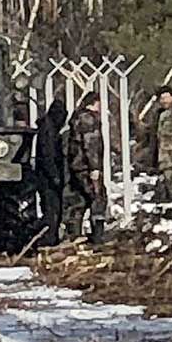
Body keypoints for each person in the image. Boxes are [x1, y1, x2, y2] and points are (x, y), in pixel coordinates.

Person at [65, 92, 106, 245]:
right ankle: (98, 237)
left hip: (76, 165)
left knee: (79, 200)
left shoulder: (76, 118)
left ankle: (74, 235)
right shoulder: (89, 119)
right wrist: (94, 168)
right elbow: (91, 145)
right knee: (98, 198)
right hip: (86, 166)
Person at [35, 99, 67, 246]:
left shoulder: (50, 127)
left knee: (53, 208)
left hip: (49, 175)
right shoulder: (48, 130)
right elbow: (47, 154)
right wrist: (54, 175)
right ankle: (49, 238)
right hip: (47, 177)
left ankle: (51, 237)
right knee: (51, 209)